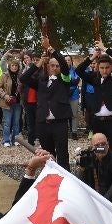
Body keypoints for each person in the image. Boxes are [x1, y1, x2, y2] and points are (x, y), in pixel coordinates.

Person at [75, 40, 112, 155]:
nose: (104, 70)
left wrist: (105, 49)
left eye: (107, 67)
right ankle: (100, 171)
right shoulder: (94, 78)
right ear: (98, 68)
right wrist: (93, 56)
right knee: (99, 151)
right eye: (102, 68)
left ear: (111, 67)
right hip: (98, 122)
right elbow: (78, 70)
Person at [27, 38, 74, 168]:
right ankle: (50, 180)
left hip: (59, 122)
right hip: (43, 122)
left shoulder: (64, 79)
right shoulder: (40, 81)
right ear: (48, 66)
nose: (55, 68)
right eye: (52, 65)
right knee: (47, 156)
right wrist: (39, 62)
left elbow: (64, 65)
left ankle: (65, 180)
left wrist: (50, 48)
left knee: (62, 154)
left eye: (57, 66)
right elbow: (23, 78)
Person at [76, 132, 112, 211]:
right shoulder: (89, 157)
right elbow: (79, 181)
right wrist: (81, 167)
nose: (101, 147)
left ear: (108, 144)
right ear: (92, 147)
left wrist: (101, 205)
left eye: (103, 144)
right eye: (97, 145)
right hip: (94, 201)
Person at [0, 56, 22, 147]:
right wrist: (5, 95)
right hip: (7, 102)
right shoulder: (5, 75)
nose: (14, 67)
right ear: (9, 66)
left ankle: (15, 139)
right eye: (12, 65)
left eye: (16, 65)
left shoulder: (20, 76)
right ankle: (6, 140)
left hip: (18, 102)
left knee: (16, 122)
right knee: (7, 122)